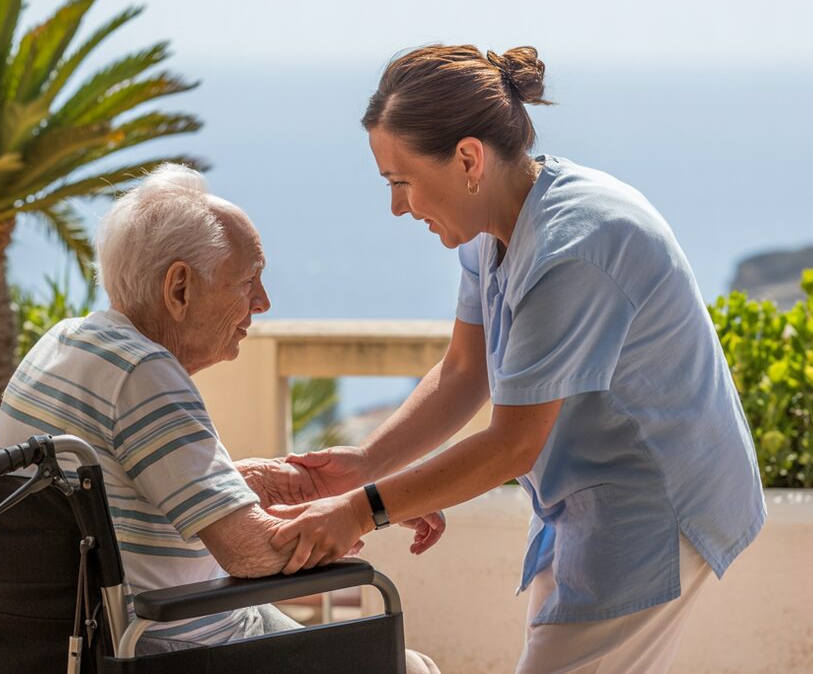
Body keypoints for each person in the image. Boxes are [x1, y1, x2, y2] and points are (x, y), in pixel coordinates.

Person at [269, 45, 767, 673]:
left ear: (468, 159)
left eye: (401, 182)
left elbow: (511, 446)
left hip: (654, 501)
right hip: (587, 492)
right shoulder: (492, 225)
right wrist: (368, 465)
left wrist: (361, 510)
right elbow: (465, 371)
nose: (397, 206)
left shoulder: (571, 248)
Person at [0, 164, 441, 672]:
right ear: (179, 288)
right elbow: (250, 553)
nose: (263, 302)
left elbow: (137, 495)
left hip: (64, 647)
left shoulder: (66, 344)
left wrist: (285, 483)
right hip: (179, 650)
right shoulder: (144, 374)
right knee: (410, 667)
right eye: (248, 280)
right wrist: (371, 508)